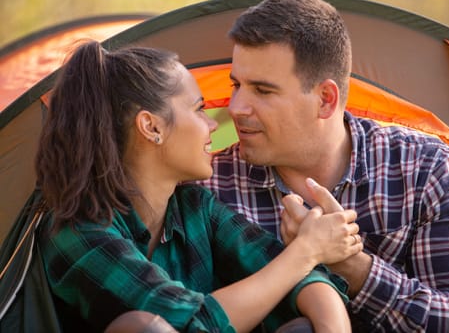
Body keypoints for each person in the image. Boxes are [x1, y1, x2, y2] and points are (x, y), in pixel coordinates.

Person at [196, 0, 449, 332]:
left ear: (326, 100)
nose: (236, 107)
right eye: (236, 85)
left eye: (263, 90)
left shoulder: (428, 171)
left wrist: (354, 268)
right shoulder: (208, 186)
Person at [35, 41, 360, 333]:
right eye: (199, 109)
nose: (213, 124)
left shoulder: (195, 206)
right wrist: (305, 250)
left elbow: (301, 276)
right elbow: (189, 324)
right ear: (152, 127)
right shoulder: (76, 232)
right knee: (141, 329)